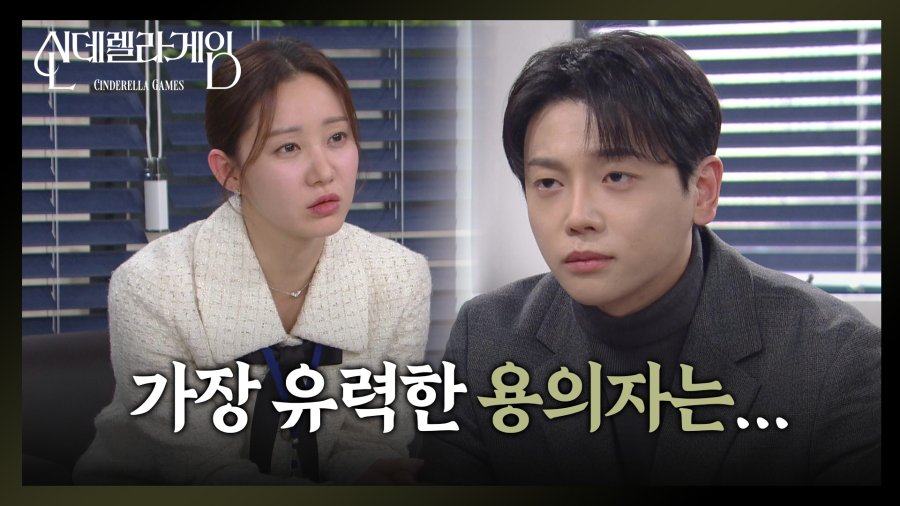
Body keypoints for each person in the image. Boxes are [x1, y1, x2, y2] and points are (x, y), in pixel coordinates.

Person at [419, 31, 881, 485]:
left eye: (616, 176)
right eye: (548, 183)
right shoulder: (487, 339)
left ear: (702, 191)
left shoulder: (835, 360)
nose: (577, 218)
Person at [74, 38, 431, 485]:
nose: (324, 171)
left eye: (337, 137)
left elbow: (369, 440)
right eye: (288, 148)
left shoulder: (398, 278)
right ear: (229, 171)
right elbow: (202, 472)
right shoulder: (152, 286)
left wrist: (370, 472)